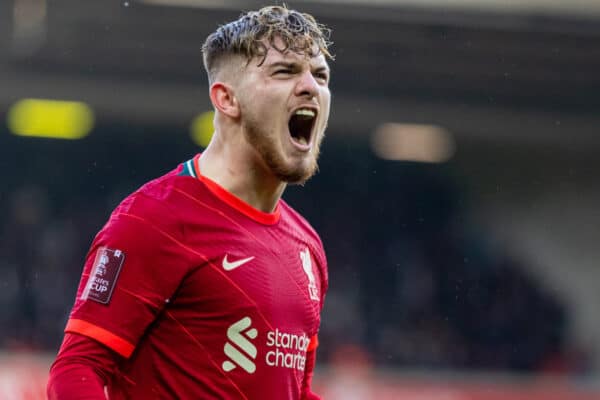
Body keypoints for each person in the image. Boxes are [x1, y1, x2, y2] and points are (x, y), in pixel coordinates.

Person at [47, 5, 333, 399]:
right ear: (226, 99)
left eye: (320, 75)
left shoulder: (307, 246)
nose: (310, 87)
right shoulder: (153, 219)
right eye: (283, 71)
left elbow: (295, 393)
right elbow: (77, 370)